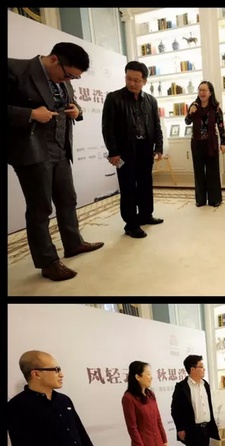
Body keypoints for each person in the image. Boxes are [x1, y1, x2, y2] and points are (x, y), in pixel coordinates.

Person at [8, 42, 104, 281]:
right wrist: (30, 114)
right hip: (32, 149)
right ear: (53, 60)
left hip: (60, 147)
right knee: (40, 208)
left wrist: (77, 111)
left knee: (67, 199)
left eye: (74, 78)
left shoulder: (64, 77)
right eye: (68, 75)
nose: (69, 80)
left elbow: (69, 102)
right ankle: (48, 262)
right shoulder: (15, 69)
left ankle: (74, 243)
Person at [102, 61, 164, 239]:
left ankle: (145, 215)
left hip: (145, 149)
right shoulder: (114, 98)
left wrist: (158, 147)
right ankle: (131, 224)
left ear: (144, 81)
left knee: (145, 184)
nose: (132, 83)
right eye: (128, 78)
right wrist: (113, 152)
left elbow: (156, 126)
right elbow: (107, 128)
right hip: (124, 151)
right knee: (128, 187)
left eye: (136, 80)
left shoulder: (151, 101)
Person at [171, 355, 220, 446]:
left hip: (206, 426)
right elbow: (175, 410)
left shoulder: (205, 385)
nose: (204, 369)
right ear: (192, 369)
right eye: (201, 366)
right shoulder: (182, 387)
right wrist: (180, 428)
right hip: (192, 428)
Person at [185, 81, 225, 207]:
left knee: (212, 171)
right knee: (198, 171)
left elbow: (221, 126)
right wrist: (190, 113)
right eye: (200, 90)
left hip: (211, 143)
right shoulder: (194, 105)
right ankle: (200, 199)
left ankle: (214, 199)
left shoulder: (216, 108)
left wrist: (223, 143)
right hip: (196, 142)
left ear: (210, 92)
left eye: (204, 90)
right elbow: (187, 121)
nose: (201, 92)